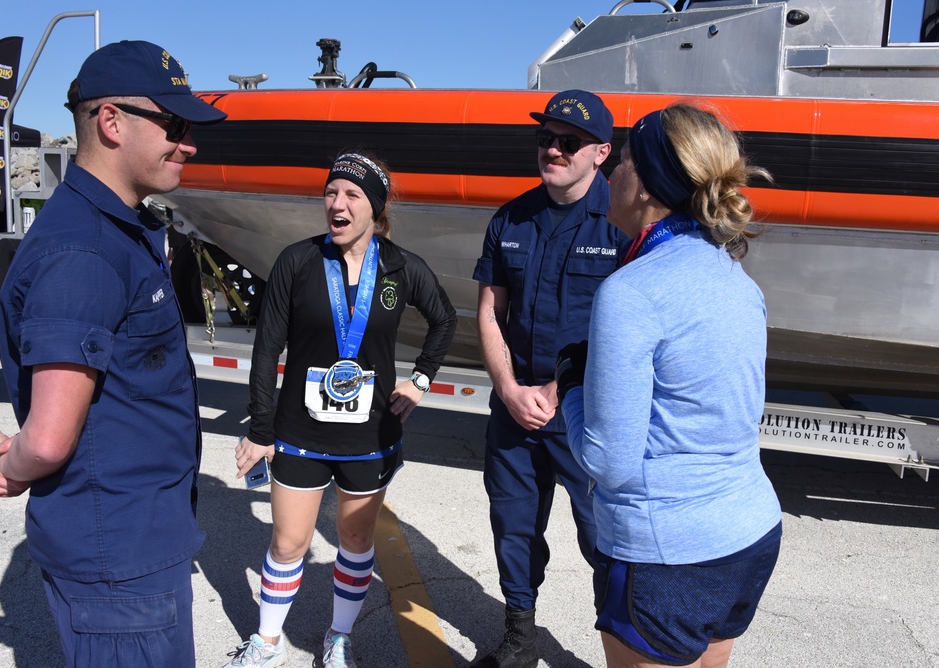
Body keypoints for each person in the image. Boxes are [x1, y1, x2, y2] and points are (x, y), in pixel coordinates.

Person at [0, 40, 226, 667]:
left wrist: (21, 454)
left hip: (132, 549)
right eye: (175, 125)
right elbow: (50, 440)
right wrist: (16, 465)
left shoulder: (108, 230)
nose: (188, 143)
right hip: (121, 568)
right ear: (111, 122)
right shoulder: (85, 253)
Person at [558, 103, 783, 668]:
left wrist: (571, 386)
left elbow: (608, 462)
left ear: (649, 184)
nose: (611, 173)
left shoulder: (632, 291)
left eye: (625, 159)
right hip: (749, 533)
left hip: (667, 550)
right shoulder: (737, 278)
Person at [223, 151, 456, 668]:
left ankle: (338, 636)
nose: (337, 203)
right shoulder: (297, 261)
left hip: (368, 437)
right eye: (331, 192)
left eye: (352, 194)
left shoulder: (399, 267)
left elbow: (444, 320)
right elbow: (266, 350)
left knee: (354, 539)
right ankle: (266, 641)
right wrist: (261, 429)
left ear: (375, 206)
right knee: (288, 542)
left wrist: (419, 383)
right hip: (299, 430)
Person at [471, 89, 630, 668]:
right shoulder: (511, 219)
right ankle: (519, 637)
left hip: (592, 413)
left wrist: (560, 391)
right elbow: (490, 311)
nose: (554, 150)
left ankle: (621, 648)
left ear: (601, 153)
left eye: (570, 142)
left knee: (605, 538)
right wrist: (510, 389)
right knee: (512, 525)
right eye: (546, 139)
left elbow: (630, 332)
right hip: (515, 410)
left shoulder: (622, 223)